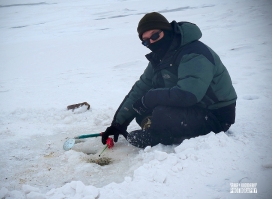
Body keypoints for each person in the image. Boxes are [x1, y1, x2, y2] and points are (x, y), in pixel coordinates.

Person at [101, 12, 237, 148]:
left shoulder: (194, 53)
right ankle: (160, 126)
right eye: (146, 41)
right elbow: (141, 88)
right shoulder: (161, 56)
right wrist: (118, 124)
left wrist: (151, 97)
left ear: (167, 31)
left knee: (162, 113)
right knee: (141, 110)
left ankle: (159, 135)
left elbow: (188, 95)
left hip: (215, 114)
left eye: (155, 36)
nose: (152, 43)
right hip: (192, 108)